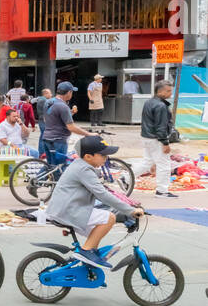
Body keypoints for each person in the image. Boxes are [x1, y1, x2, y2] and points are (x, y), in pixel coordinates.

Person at [46, 135, 144, 268]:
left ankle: (89, 264)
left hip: (67, 209)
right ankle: (86, 252)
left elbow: (102, 192)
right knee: (109, 218)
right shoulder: (84, 170)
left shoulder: (82, 166)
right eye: (103, 155)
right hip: (67, 211)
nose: (106, 158)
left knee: (97, 231)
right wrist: (130, 210)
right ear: (88, 157)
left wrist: (128, 205)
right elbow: (102, 194)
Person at [132, 80, 177, 198]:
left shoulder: (149, 102)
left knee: (147, 162)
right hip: (156, 139)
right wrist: (165, 143)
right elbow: (161, 126)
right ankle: (162, 191)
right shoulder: (161, 106)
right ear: (160, 92)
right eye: (168, 91)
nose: (170, 93)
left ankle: (126, 178)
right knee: (164, 165)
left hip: (146, 137)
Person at [40, 82, 86, 169]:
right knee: (60, 166)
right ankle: (58, 182)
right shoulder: (63, 106)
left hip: (46, 138)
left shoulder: (49, 102)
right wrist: (88, 134)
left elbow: (49, 119)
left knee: (50, 166)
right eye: (72, 92)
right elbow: (71, 127)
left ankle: (37, 181)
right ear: (69, 93)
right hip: (58, 140)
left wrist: (71, 113)